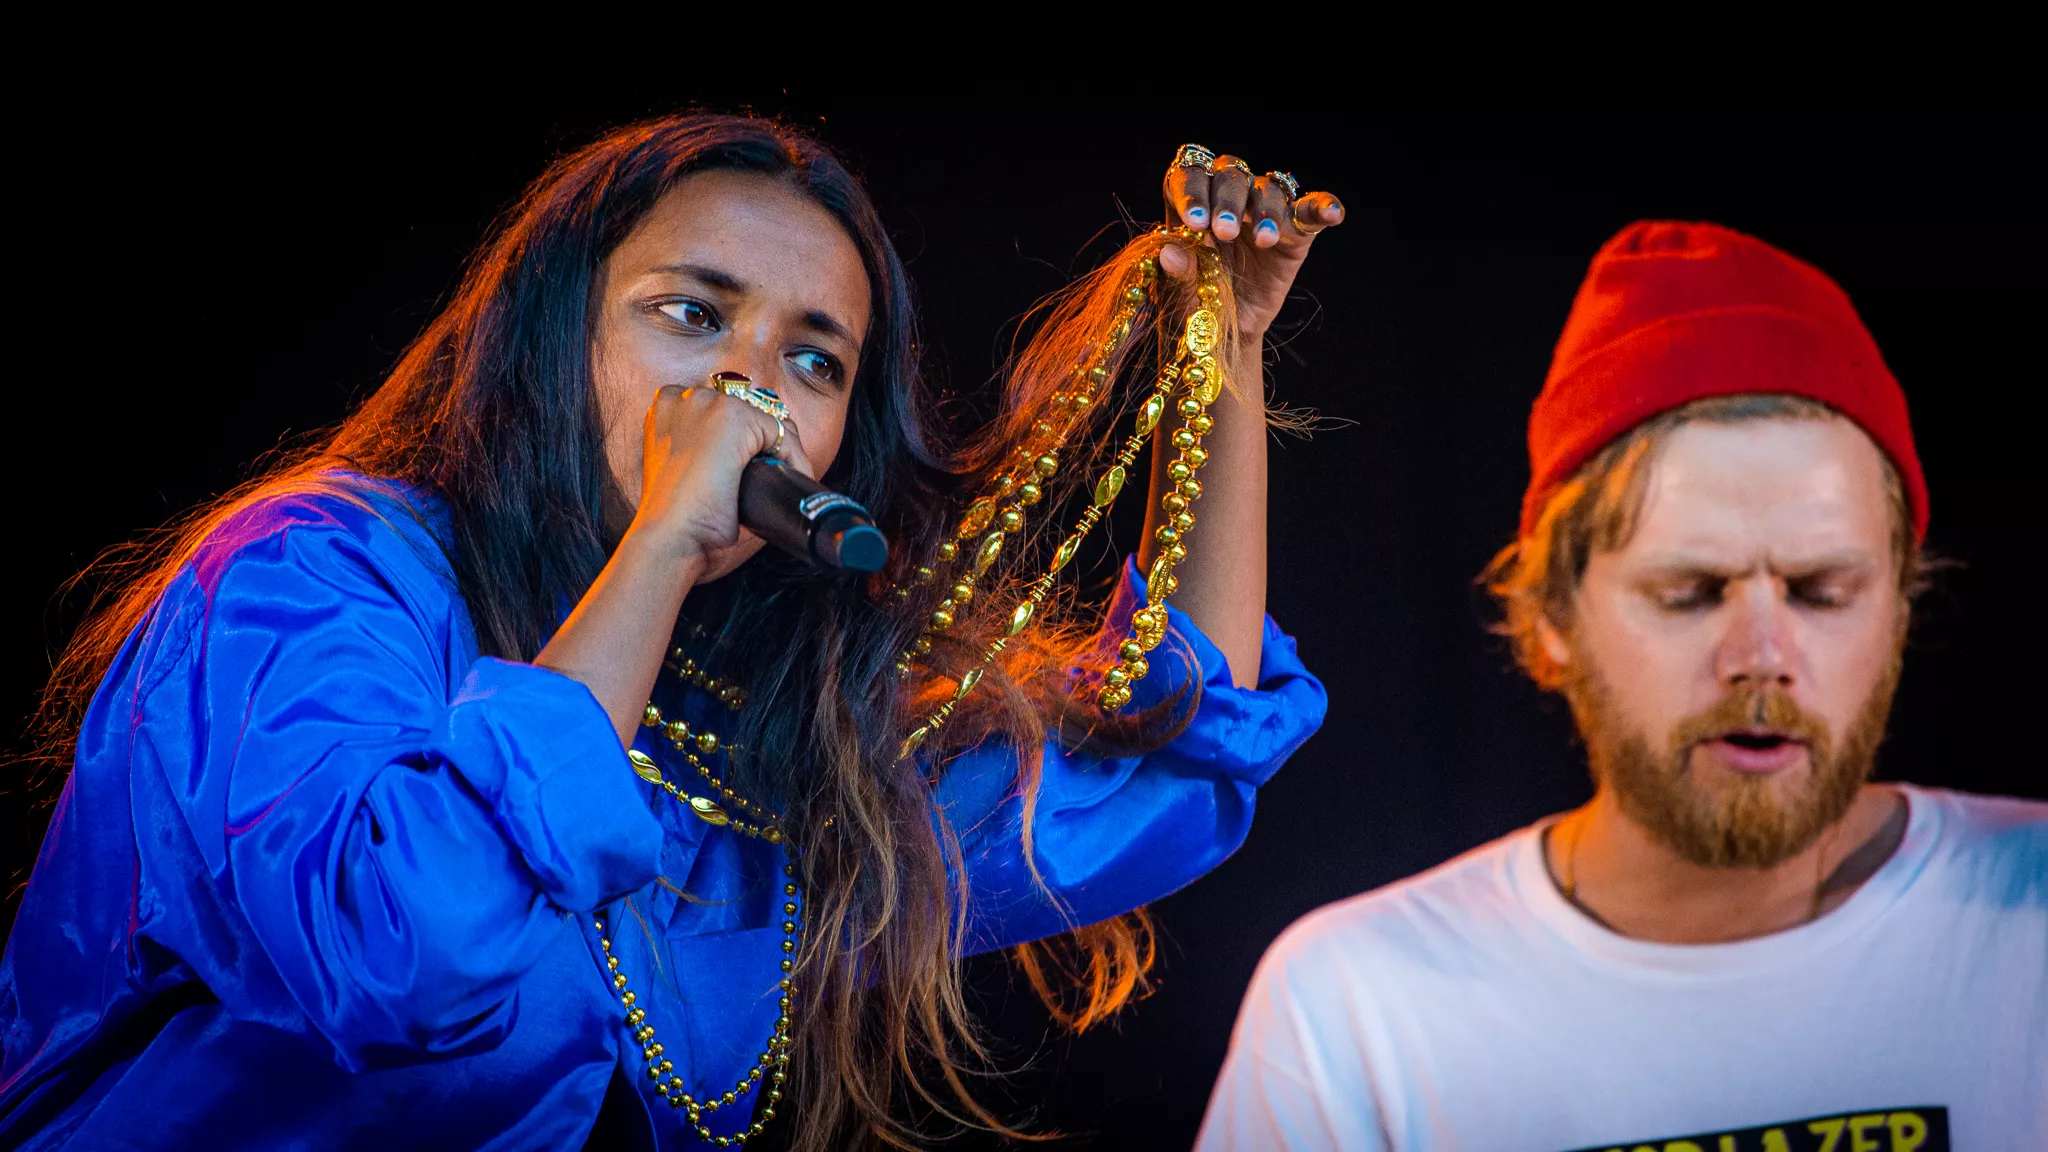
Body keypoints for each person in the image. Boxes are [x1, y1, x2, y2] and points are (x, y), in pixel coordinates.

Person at [0, 116, 1343, 1150]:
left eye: (814, 360)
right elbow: (403, 946)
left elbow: (1174, 766)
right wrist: (660, 542)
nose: (753, 385)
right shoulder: (310, 577)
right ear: (551, 344)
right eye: (692, 316)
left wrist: (1221, 348)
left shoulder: (755, 740)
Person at [1197, 221, 2046, 1151]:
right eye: (1688, 593)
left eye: (1822, 591)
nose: (1762, 653)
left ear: (1900, 607)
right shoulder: (1362, 1012)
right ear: (1551, 615)